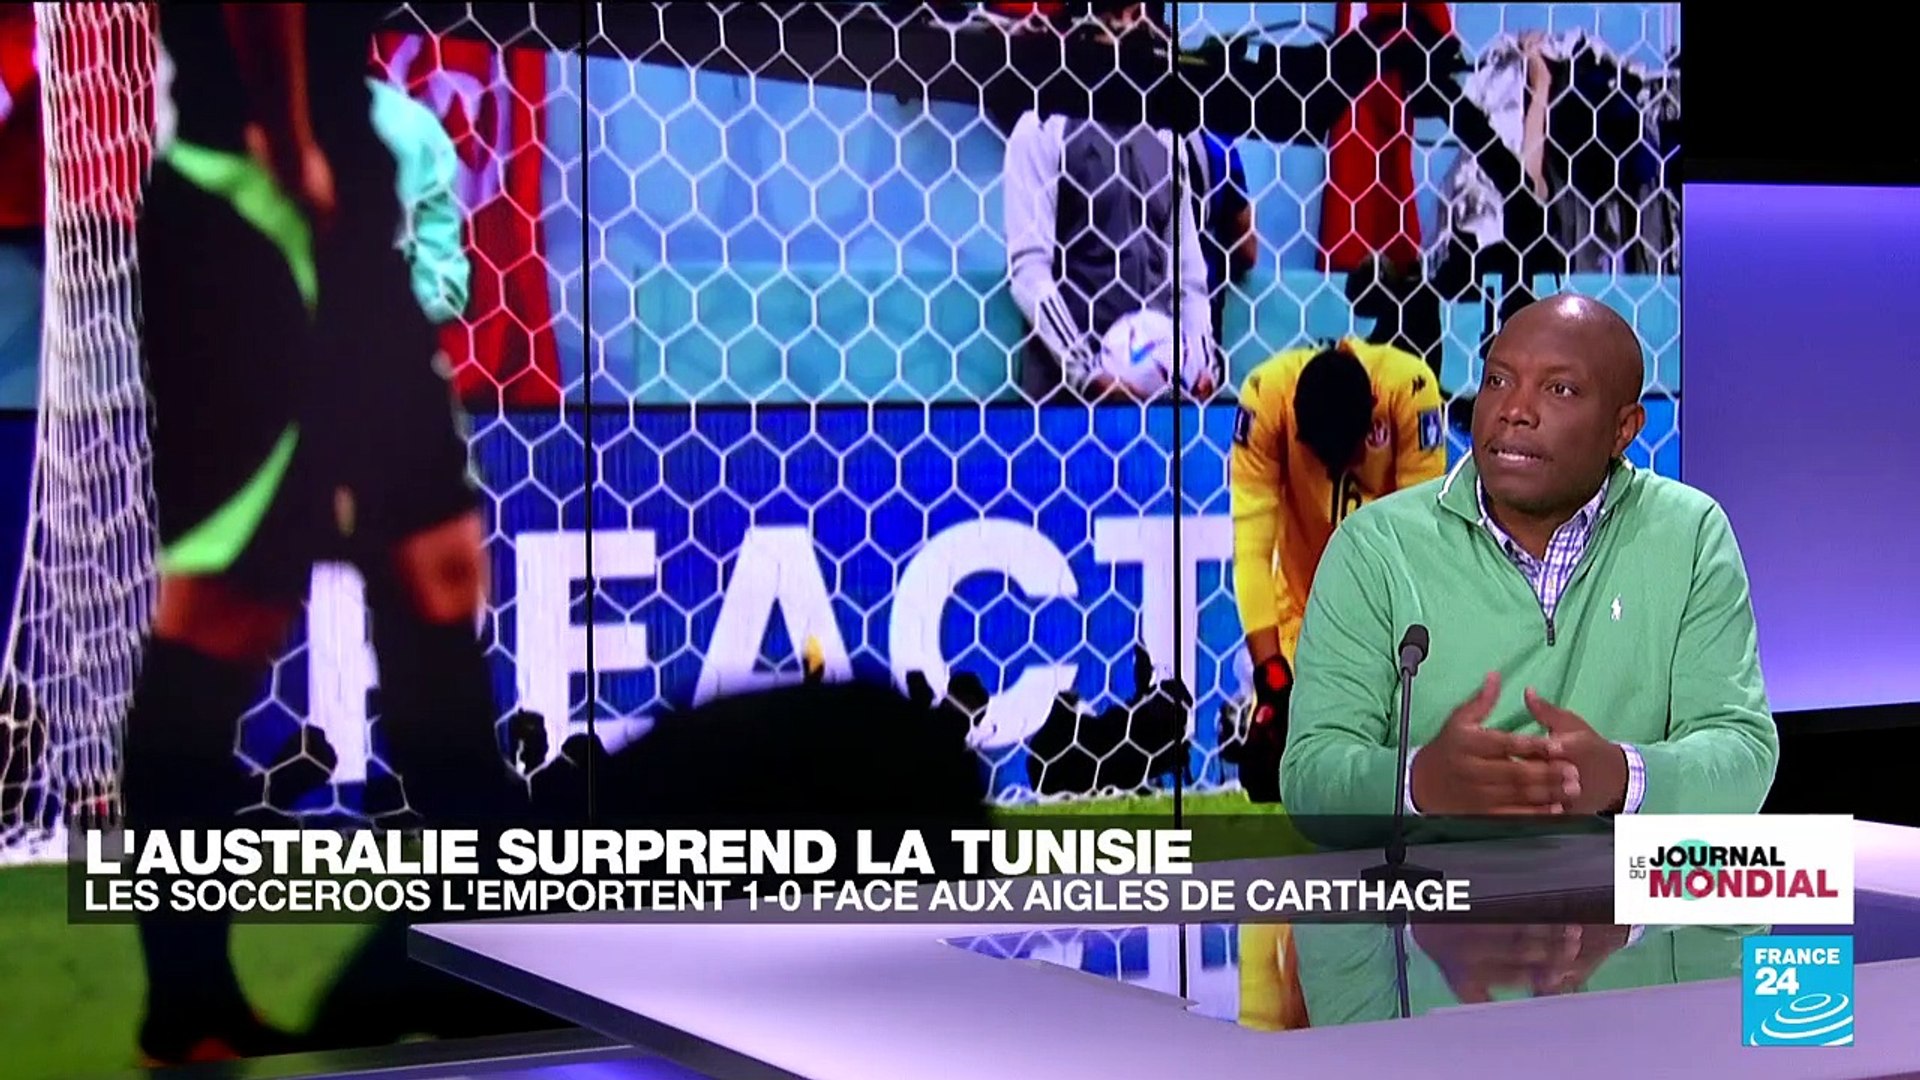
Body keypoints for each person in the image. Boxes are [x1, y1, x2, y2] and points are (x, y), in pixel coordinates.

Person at [123, 4, 514, 1064]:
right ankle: (187, 1003)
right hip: (259, 204)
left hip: (342, 220)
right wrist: (291, 146)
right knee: (224, 606)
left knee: (438, 568)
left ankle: (493, 964)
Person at [1279, 294, 1778, 821]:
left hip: (1615, 873)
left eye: (1559, 389)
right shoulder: (1375, 548)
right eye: (1497, 380)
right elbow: (1312, 775)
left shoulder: (1689, 534)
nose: (1514, 410)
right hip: (1438, 873)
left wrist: (1622, 778)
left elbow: (1742, 752)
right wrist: (1419, 782)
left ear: (1624, 429)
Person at [1223, 336, 1445, 800]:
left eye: (1349, 452)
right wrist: (1272, 680)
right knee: (1272, 777)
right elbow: (1252, 552)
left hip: (1387, 620)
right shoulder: (1266, 399)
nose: (1341, 468)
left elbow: (1424, 553)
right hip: (1302, 618)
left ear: (1372, 413)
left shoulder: (1409, 390)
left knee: (1398, 770)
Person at [1001, 0, 1215, 402]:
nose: (1130, 26)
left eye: (1139, 15)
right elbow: (1029, 270)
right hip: (1068, 397)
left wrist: (1202, 361)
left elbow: (1188, 277)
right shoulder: (1042, 126)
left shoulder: (1168, 138)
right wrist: (1088, 374)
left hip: (1159, 393)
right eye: (1118, 15)